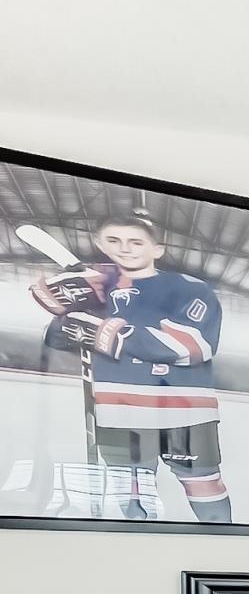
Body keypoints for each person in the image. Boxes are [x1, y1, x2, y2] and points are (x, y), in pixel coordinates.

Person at [28, 209, 232, 522]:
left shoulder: (190, 288)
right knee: (131, 491)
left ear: (157, 249)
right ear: (101, 245)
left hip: (185, 412)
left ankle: (223, 541)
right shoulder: (96, 289)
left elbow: (192, 345)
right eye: (114, 240)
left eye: (135, 242)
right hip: (119, 411)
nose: (124, 248)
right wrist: (70, 317)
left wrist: (104, 331)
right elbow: (58, 338)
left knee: (203, 483)